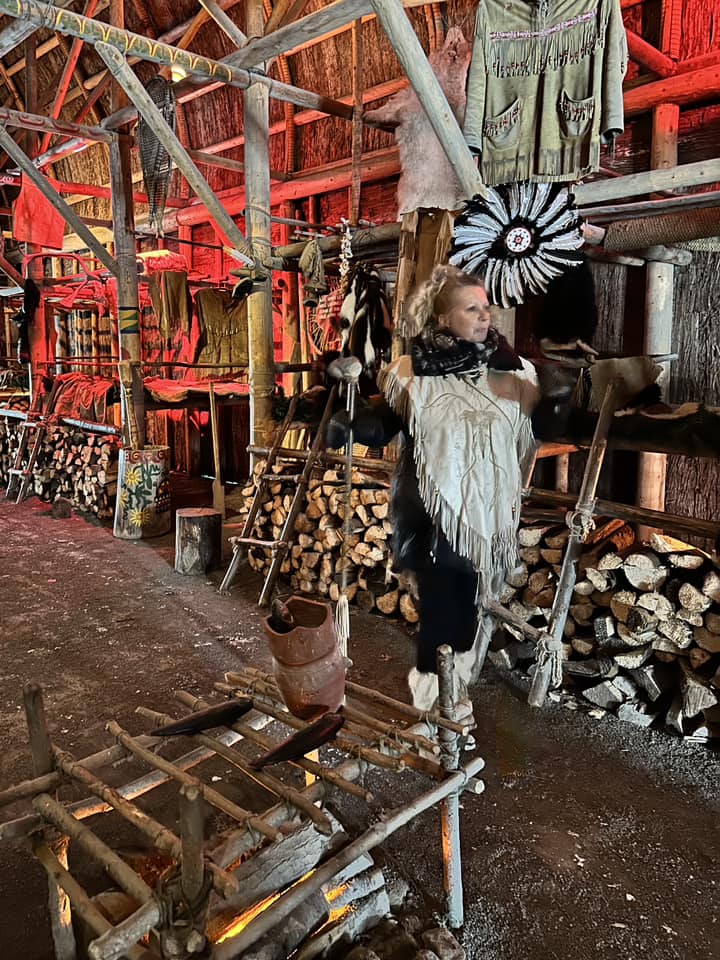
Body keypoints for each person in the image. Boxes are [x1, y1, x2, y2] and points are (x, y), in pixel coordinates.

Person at [330, 264, 541, 709]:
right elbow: (384, 427)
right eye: (471, 309)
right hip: (433, 514)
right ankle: (434, 709)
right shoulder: (413, 374)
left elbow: (540, 423)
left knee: (466, 612)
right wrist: (350, 423)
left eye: (485, 307)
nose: (485, 316)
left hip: (486, 516)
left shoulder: (512, 371)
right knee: (443, 614)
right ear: (444, 318)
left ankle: (451, 704)